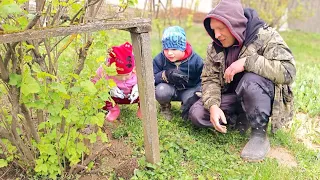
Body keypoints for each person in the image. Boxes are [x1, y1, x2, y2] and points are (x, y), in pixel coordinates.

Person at [188, 0, 296, 162]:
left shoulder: (265, 36)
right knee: (197, 114)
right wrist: (213, 106)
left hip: (260, 93)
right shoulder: (215, 47)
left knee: (249, 81)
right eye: (213, 29)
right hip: (233, 96)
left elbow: (288, 71)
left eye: (221, 28)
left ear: (234, 24)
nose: (216, 35)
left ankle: (259, 135)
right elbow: (209, 79)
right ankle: (240, 118)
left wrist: (248, 63)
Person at [153, 26, 204, 120]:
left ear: (182, 48)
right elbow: (152, 78)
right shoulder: (159, 59)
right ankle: (165, 107)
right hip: (169, 88)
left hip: (189, 89)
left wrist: (198, 91)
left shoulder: (197, 60)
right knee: (161, 91)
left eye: (174, 49)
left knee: (192, 100)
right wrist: (165, 74)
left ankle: (187, 106)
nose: (169, 53)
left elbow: (204, 79)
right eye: (166, 49)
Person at [92, 42, 141, 122]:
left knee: (147, 92)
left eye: (127, 75)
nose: (123, 78)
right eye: (119, 75)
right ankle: (113, 109)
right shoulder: (105, 70)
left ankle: (143, 109)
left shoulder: (138, 68)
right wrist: (107, 87)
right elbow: (94, 82)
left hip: (133, 97)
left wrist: (138, 87)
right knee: (100, 95)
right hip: (115, 98)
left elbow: (150, 80)